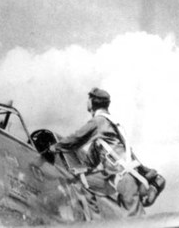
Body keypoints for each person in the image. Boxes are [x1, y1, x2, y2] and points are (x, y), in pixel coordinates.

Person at [49, 88, 146, 217]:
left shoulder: (99, 122)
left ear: (93, 102)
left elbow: (76, 138)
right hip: (114, 178)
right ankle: (97, 223)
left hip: (124, 177)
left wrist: (55, 147)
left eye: (89, 99)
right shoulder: (107, 128)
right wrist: (80, 170)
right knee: (83, 182)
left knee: (138, 221)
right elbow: (91, 161)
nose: (87, 102)